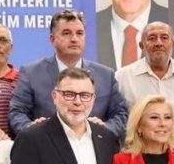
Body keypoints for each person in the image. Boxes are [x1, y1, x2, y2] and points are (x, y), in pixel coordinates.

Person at [8, 9, 128, 139]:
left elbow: (120, 114)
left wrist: (104, 129)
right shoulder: (31, 73)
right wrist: (32, 130)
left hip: (94, 146)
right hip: (45, 145)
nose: (74, 39)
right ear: (52, 39)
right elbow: (17, 112)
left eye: (79, 33)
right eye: (66, 33)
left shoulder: (106, 75)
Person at [115, 21, 174, 151]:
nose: (158, 43)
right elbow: (118, 122)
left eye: (164, 38)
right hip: (137, 159)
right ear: (142, 46)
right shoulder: (122, 78)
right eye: (152, 38)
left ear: (173, 44)